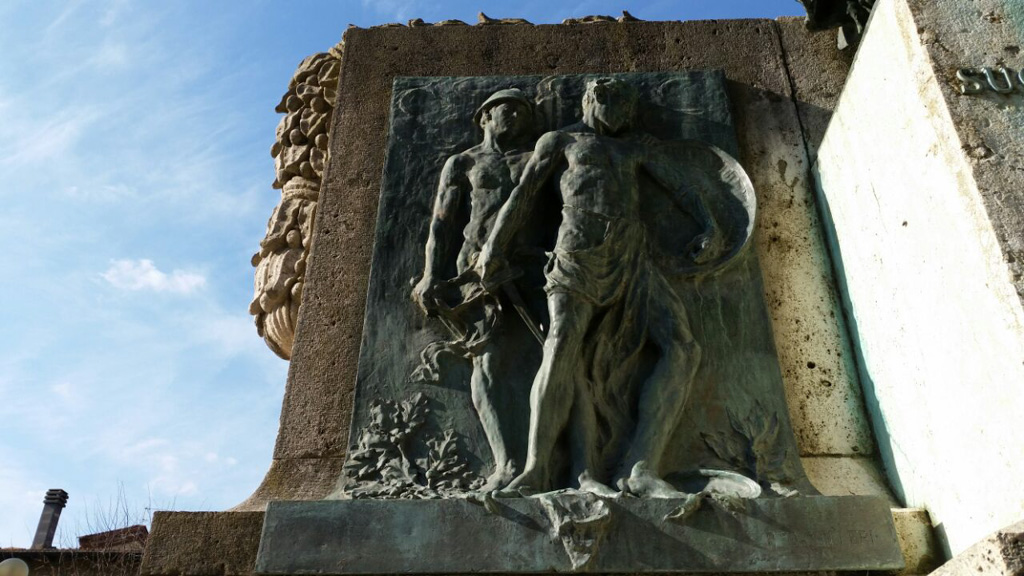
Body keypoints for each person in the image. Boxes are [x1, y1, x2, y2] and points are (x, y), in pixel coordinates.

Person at [478, 77, 715, 498]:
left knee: (683, 346)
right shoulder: (561, 141)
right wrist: (492, 249)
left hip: (631, 258)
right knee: (560, 346)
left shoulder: (634, 147)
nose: (628, 117)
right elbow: (524, 195)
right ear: (596, 98)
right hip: (578, 253)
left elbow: (680, 186)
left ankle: (640, 468)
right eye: (622, 107)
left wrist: (710, 225)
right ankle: (535, 469)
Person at [412, 88, 541, 491]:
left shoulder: (536, 157)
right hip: (475, 273)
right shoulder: (463, 162)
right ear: (485, 116)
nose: (516, 116)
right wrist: (430, 274)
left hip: (532, 268)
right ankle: (505, 462)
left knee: (552, 354)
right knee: (487, 361)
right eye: (508, 109)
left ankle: (551, 463)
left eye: (523, 112)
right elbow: (442, 224)